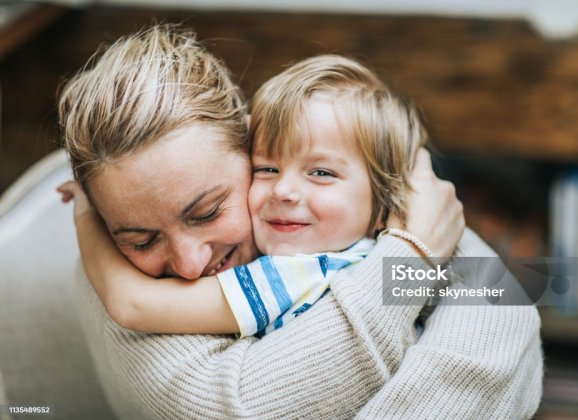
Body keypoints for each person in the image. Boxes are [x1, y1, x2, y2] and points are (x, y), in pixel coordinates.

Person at [58, 25, 542, 418]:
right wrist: (412, 253)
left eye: (207, 212)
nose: (187, 265)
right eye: (140, 239)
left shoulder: (315, 240)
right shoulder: (109, 269)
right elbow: (235, 408)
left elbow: (504, 303)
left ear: (250, 142)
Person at [60, 54, 437, 338]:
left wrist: (84, 215)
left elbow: (132, 305)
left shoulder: (297, 272)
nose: (190, 268)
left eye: (207, 212)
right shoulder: (392, 254)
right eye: (267, 169)